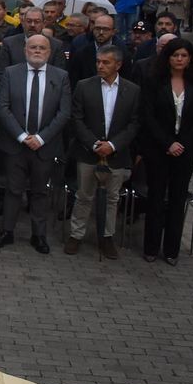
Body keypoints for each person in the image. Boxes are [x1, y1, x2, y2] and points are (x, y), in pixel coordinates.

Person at [0, 35, 72, 255]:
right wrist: (21, 136)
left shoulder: (61, 76)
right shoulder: (10, 73)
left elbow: (64, 113)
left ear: (49, 52)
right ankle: (7, 232)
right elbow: (2, 107)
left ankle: (39, 235)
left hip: (44, 146)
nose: (37, 51)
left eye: (42, 48)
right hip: (15, 144)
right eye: (33, 47)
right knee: (13, 190)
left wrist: (41, 138)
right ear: (25, 49)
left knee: (39, 192)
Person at [65, 44, 140, 259]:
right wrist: (94, 144)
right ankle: (76, 235)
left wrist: (113, 145)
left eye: (106, 62)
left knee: (112, 198)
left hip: (116, 154)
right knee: (83, 195)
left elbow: (134, 124)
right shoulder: (84, 86)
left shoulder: (132, 90)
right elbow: (76, 119)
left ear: (118, 64)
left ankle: (106, 236)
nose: (100, 66)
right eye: (98, 61)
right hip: (89, 152)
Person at [141, 39, 193, 265]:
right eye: (175, 55)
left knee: (178, 200)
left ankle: (171, 250)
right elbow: (148, 116)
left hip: (186, 151)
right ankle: (150, 247)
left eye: (184, 55)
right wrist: (168, 143)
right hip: (159, 149)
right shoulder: (154, 81)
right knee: (156, 198)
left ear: (190, 59)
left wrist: (183, 143)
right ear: (167, 57)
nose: (179, 59)